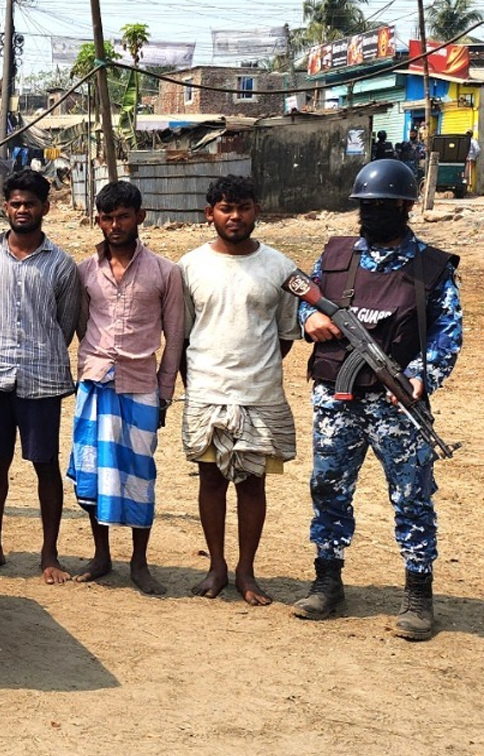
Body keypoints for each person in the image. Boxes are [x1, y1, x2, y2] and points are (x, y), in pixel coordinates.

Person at [294, 158, 463, 638]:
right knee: (328, 488)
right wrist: (308, 319)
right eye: (366, 206)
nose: (372, 213)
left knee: (412, 496)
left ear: (406, 206)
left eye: (384, 206)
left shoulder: (430, 267)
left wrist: (419, 376)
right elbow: (302, 298)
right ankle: (327, 581)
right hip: (337, 399)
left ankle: (418, 594)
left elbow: (448, 332)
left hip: (397, 403)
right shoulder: (335, 255)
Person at [178, 175, 300, 607]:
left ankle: (247, 571)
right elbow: (183, 335)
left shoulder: (281, 268)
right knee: (210, 481)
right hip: (206, 392)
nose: (235, 217)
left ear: (256, 211)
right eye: (226, 208)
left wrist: (255, 370)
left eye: (243, 207)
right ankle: (216, 566)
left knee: (252, 484)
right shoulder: (189, 266)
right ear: (209, 214)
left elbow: (285, 335)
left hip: (260, 395)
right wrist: (198, 382)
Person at [67, 182, 185, 595]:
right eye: (107, 218)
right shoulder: (85, 270)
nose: (114, 225)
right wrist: (92, 364)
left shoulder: (166, 272)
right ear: (98, 221)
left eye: (122, 217)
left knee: (139, 473)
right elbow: (82, 324)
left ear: (140, 217)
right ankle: (101, 555)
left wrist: (165, 394)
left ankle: (139, 563)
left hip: (140, 385)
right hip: (94, 383)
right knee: (91, 470)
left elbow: (175, 337)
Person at [0, 169, 81, 583]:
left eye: (29, 204)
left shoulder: (62, 264)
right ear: (5, 207)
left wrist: (39, 352)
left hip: (42, 379)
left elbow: (64, 326)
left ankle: (49, 554)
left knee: (45, 464)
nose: (21, 210)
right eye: (15, 203)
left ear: (44, 208)